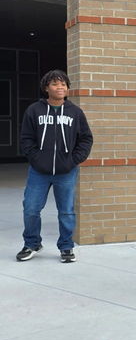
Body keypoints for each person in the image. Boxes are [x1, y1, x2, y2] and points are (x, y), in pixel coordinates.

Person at [17, 69, 93, 264]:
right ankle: (32, 243)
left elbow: (86, 139)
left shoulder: (75, 112)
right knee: (31, 209)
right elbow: (26, 138)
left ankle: (66, 246)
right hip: (39, 171)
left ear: (67, 88)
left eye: (63, 84)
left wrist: (73, 160)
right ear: (46, 88)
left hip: (66, 171)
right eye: (55, 84)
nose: (60, 87)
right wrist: (36, 159)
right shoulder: (34, 110)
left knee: (66, 211)